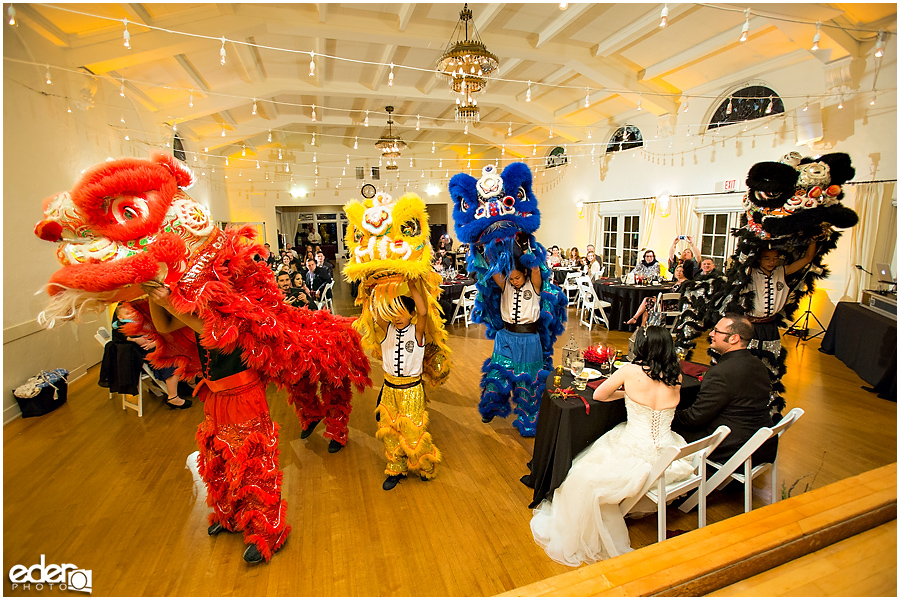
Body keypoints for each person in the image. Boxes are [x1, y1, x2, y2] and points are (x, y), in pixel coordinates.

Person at [143, 283, 289, 564]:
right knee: (218, 459)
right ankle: (230, 516)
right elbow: (164, 326)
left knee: (253, 466)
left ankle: (268, 532)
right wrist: (152, 293)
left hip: (244, 393)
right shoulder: (197, 298)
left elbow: (217, 334)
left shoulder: (242, 295)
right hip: (214, 392)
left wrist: (171, 302)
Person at [531, 327, 694, 566]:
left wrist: (626, 394)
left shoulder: (630, 371)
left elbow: (599, 396)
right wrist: (631, 396)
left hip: (633, 449)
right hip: (669, 450)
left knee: (580, 480)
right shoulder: (676, 375)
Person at [673, 314, 777, 465]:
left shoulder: (721, 373)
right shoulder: (759, 365)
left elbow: (695, 418)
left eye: (716, 331)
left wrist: (668, 416)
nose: (711, 334)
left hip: (733, 446)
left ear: (734, 338)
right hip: (760, 442)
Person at [371, 289, 441, 491]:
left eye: (401, 312)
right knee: (389, 432)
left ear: (411, 314)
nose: (396, 317)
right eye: (393, 311)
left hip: (412, 390)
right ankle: (395, 467)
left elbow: (424, 313)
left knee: (413, 432)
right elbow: (376, 312)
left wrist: (412, 285)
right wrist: (377, 287)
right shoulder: (387, 330)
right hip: (389, 390)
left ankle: (425, 466)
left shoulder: (417, 332)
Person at [481, 255, 545, 433]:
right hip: (505, 337)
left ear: (525, 273)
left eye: (517, 277)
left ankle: (528, 420)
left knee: (527, 380)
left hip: (529, 340)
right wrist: (489, 248)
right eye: (511, 278)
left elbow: (536, 269)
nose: (514, 281)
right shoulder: (505, 285)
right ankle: (491, 408)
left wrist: (528, 247)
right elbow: (492, 266)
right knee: (496, 374)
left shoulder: (534, 286)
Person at [743, 244, 816, 398]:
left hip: (771, 326)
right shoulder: (751, 273)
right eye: (767, 258)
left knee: (771, 361)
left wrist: (812, 240)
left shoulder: (781, 272)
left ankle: (767, 394)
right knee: (747, 361)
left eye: (775, 258)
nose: (771, 262)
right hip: (751, 325)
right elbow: (743, 262)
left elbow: (808, 258)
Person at [102, 302, 192, 409]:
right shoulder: (122, 324)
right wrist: (136, 339)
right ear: (120, 317)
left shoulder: (140, 316)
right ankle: (173, 397)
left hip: (152, 344)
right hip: (141, 351)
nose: (131, 315)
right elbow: (121, 334)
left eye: (132, 312)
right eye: (127, 313)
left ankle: (189, 384)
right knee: (171, 361)